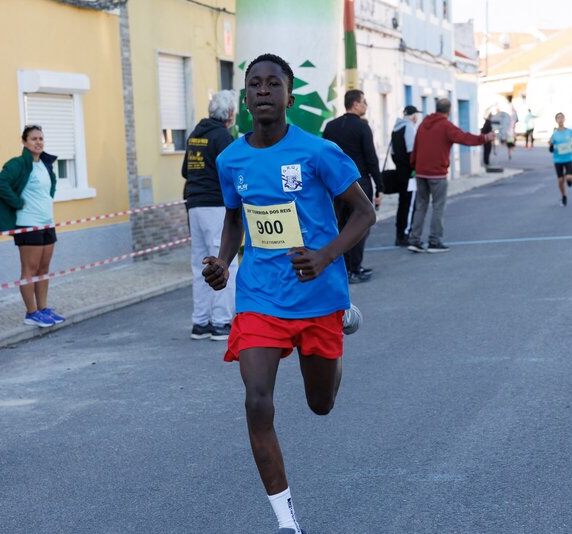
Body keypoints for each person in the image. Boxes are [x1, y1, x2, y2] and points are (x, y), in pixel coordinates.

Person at [202, 53, 375, 534]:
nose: (263, 90)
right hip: (260, 296)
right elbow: (235, 218)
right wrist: (223, 262)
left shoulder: (318, 152)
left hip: (318, 294)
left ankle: (342, 318)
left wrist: (324, 256)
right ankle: (286, 522)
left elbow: (364, 213)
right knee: (257, 402)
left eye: (272, 83)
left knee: (321, 404)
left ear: (289, 96)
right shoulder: (230, 159)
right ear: (244, 98)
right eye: (254, 84)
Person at [0, 125, 65, 328]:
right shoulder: (18, 163)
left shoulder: (45, 164)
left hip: (47, 223)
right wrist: (17, 202)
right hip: (28, 224)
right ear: (24, 142)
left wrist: (47, 200)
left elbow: (51, 186)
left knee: (44, 269)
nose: (38, 142)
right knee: (30, 269)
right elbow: (0, 183)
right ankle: (31, 313)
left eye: (41, 138)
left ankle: (43, 309)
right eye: (33, 139)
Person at [182, 89, 237, 341]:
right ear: (230, 113)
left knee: (200, 265)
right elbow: (232, 171)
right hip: (216, 205)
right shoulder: (223, 137)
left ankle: (200, 322)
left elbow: (186, 171)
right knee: (224, 262)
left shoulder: (195, 134)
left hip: (194, 205)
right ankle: (222, 322)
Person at [407, 98, 494, 253]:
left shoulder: (423, 125)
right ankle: (434, 242)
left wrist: (414, 165)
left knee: (420, 206)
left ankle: (414, 240)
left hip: (420, 172)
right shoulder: (446, 126)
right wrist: (485, 138)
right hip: (437, 173)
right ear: (449, 111)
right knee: (438, 207)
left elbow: (416, 147)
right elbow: (464, 138)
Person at [322, 90, 382, 283]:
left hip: (336, 184)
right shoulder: (362, 127)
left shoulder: (330, 126)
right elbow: (371, 158)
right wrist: (380, 186)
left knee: (341, 225)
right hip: (359, 182)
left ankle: (345, 268)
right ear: (355, 104)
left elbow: (325, 157)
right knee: (361, 225)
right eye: (364, 102)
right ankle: (355, 268)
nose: (366, 106)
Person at [390, 105, 419, 246]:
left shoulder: (395, 128)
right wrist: (414, 169)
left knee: (402, 203)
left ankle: (399, 234)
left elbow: (393, 153)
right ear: (413, 116)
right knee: (409, 204)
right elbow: (411, 151)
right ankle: (405, 234)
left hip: (399, 171)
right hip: (409, 173)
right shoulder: (409, 127)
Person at [548, 112, 572, 207]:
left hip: (568, 158)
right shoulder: (554, 134)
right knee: (560, 180)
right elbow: (550, 149)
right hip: (558, 159)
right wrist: (551, 144)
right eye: (558, 118)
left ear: (564, 119)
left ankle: (568, 178)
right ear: (556, 120)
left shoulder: (569, 131)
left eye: (562, 117)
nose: (560, 119)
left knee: (569, 178)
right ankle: (563, 196)